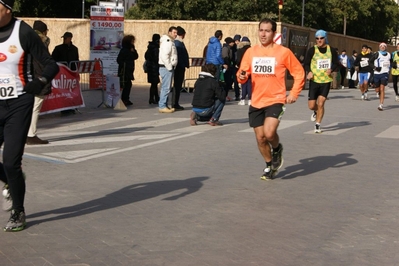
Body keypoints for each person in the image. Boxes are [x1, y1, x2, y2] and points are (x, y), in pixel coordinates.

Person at [0, 0, 59, 231]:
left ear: (7, 9)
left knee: (11, 161)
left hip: (18, 103)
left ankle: (18, 211)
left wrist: (40, 82)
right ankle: (11, 179)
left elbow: (50, 64)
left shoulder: (22, 31)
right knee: (10, 170)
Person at [237, 18, 305, 181]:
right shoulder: (251, 52)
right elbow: (242, 75)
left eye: (267, 31)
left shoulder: (283, 52)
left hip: (275, 99)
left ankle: (277, 148)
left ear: (274, 33)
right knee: (260, 138)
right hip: (256, 101)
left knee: (269, 133)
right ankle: (269, 164)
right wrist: (241, 76)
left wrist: (294, 93)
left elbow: (299, 73)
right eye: (261, 30)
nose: (263, 34)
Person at [304, 29, 339, 133]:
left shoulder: (331, 50)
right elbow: (306, 63)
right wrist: (309, 72)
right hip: (314, 80)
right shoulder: (312, 50)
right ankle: (315, 111)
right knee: (311, 106)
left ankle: (318, 125)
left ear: (325, 38)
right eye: (317, 38)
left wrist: (331, 69)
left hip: (326, 81)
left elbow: (336, 63)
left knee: (321, 103)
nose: (319, 40)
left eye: (321, 38)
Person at [26, 20, 52, 145]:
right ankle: (31, 134)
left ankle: (25, 133)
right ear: (43, 31)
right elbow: (43, 63)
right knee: (35, 108)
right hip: (39, 78)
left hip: (28, 78)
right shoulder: (42, 43)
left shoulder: (27, 40)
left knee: (28, 107)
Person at [51, 31, 79, 115]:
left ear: (70, 39)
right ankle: (64, 108)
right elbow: (53, 59)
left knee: (71, 91)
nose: (64, 40)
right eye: (64, 38)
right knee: (63, 91)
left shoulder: (74, 49)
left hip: (71, 74)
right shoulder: (58, 48)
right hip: (62, 74)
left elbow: (76, 60)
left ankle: (71, 107)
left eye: (66, 38)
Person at [158, 26, 178, 113]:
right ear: (169, 32)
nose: (175, 34)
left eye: (176, 33)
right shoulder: (168, 42)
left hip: (166, 67)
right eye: (174, 32)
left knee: (166, 87)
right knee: (166, 88)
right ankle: (162, 106)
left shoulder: (169, 42)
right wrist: (169, 67)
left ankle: (164, 105)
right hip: (166, 68)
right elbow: (165, 56)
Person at [117, 34, 139, 106]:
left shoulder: (131, 49)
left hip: (130, 70)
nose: (133, 43)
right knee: (127, 85)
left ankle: (126, 99)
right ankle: (124, 99)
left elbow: (136, 57)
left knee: (128, 85)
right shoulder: (124, 50)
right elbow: (119, 60)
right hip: (124, 71)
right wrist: (124, 64)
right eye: (132, 41)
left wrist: (133, 50)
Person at [173, 26, 189, 110]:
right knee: (177, 85)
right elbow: (180, 56)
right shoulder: (178, 43)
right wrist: (183, 64)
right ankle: (175, 103)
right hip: (179, 67)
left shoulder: (178, 43)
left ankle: (175, 102)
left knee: (177, 85)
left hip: (180, 66)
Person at [372, 42, 391, 111]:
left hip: (385, 73)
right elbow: (370, 62)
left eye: (384, 46)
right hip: (377, 73)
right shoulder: (377, 54)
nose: (383, 47)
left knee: (382, 88)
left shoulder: (389, 54)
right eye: (381, 46)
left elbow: (390, 62)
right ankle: (377, 92)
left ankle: (381, 104)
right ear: (379, 47)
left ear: (386, 47)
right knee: (377, 89)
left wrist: (393, 65)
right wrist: (375, 68)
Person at [145, 34, 160, 104]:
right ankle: (152, 98)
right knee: (154, 84)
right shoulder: (155, 49)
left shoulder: (149, 48)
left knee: (154, 83)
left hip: (150, 67)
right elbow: (156, 58)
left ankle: (156, 97)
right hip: (154, 68)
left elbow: (146, 56)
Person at [236, 36, 252, 105]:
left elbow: (238, 59)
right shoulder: (251, 50)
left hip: (243, 68)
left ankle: (242, 99)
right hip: (250, 68)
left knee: (243, 83)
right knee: (249, 84)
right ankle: (250, 99)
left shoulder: (240, 49)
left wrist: (237, 65)